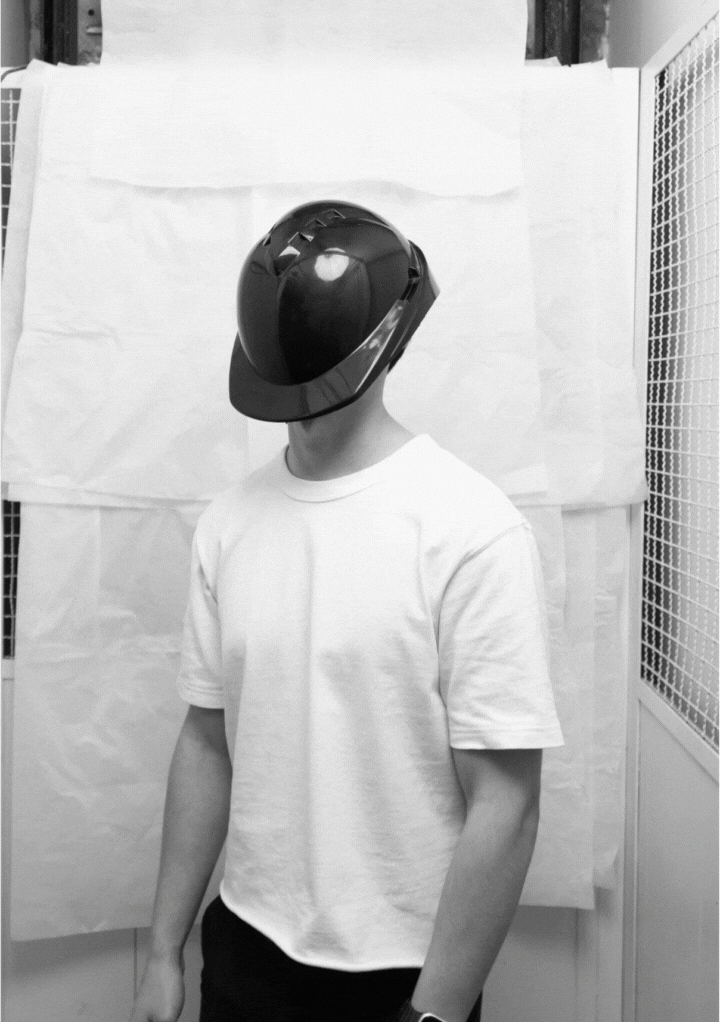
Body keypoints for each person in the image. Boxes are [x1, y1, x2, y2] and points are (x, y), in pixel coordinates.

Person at [130, 202, 564, 1022]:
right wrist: (162, 948)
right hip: (244, 946)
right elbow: (205, 739)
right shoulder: (229, 524)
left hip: (403, 972)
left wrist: (433, 1012)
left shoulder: (470, 529)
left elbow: (507, 802)